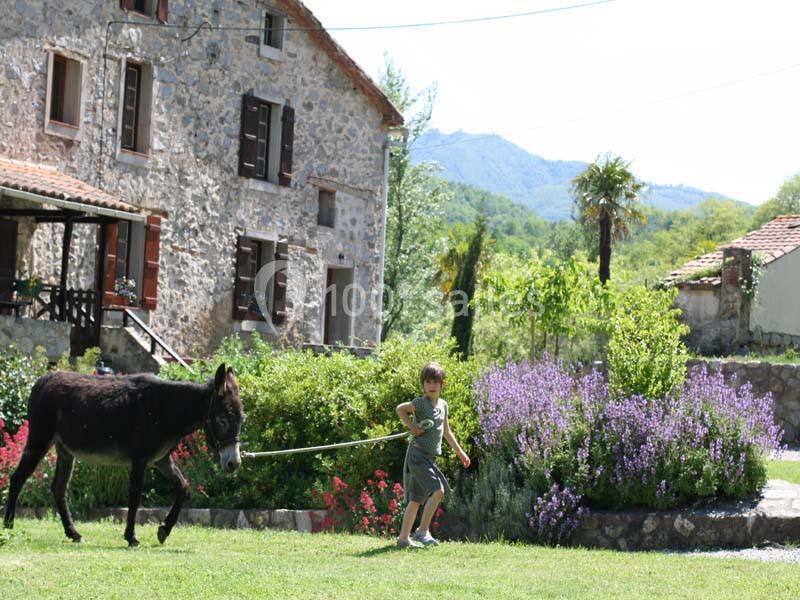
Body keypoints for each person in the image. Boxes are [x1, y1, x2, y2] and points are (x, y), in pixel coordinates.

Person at [395, 361, 470, 548]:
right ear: (423, 385)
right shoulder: (421, 403)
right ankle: (422, 531)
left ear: (442, 384)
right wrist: (412, 427)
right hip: (418, 456)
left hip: (428, 458)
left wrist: (460, 453)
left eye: (435, 382)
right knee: (439, 490)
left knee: (415, 500)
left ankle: (403, 539)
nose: (431, 386)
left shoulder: (443, 405)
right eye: (427, 382)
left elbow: (447, 431)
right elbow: (400, 409)